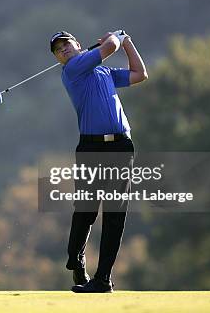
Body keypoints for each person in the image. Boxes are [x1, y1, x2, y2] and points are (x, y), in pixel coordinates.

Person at [50, 30, 147, 293]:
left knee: (115, 214)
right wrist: (116, 37)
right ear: (59, 59)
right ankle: (76, 258)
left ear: (78, 44)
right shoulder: (72, 69)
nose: (64, 51)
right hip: (91, 146)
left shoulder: (103, 73)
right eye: (58, 50)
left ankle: (103, 279)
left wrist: (128, 41)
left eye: (66, 45)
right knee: (86, 209)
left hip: (120, 145)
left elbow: (140, 74)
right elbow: (108, 48)